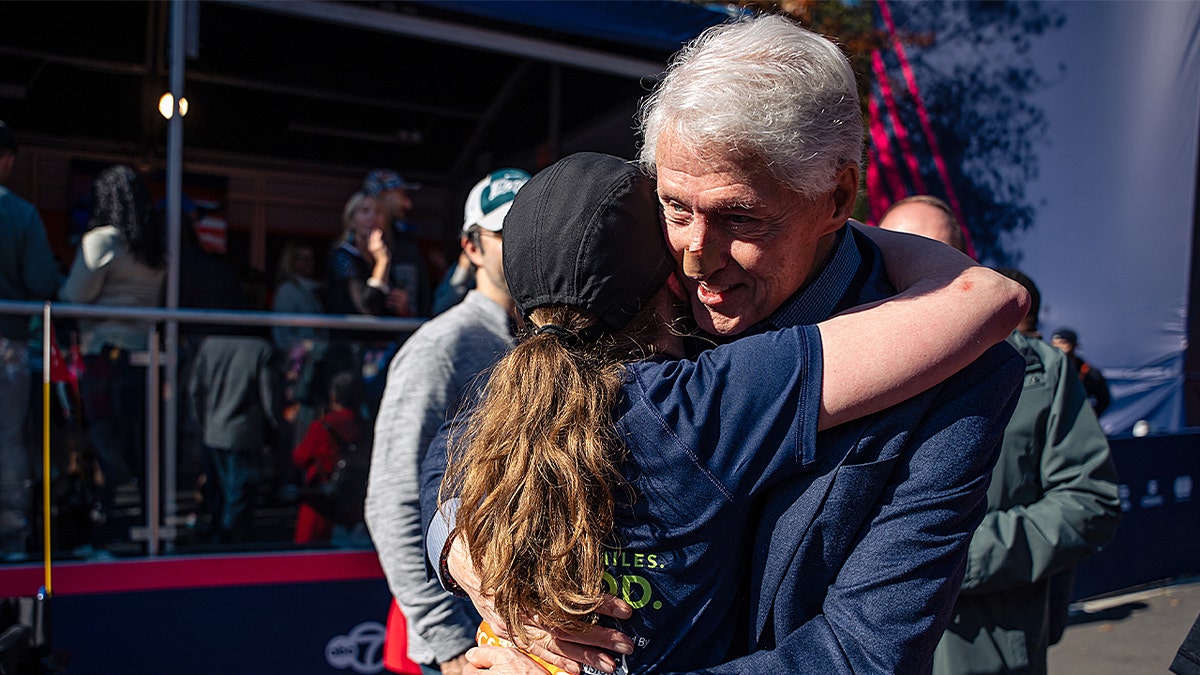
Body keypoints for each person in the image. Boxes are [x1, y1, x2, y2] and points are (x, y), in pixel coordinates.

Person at [441, 16, 1031, 675]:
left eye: (739, 217)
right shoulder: (643, 301)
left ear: (836, 195)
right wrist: (462, 548)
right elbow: (496, 427)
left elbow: (860, 656)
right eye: (675, 206)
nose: (696, 256)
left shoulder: (955, 368)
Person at [881, 203, 1122, 674]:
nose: (909, 280)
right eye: (891, 258)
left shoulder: (1037, 372)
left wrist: (956, 557)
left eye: (930, 256)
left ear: (965, 263)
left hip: (987, 651)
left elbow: (1089, 499)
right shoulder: (831, 373)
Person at [366, 167, 530, 675]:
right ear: (472, 247)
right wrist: (450, 641)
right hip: (461, 644)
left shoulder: (544, 342)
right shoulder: (440, 348)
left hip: (515, 630)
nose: (522, 244)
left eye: (531, 228)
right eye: (506, 232)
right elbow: (391, 501)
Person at [60, 164, 165, 544]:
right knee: (138, 447)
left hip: (103, 355)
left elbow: (74, 297)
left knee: (104, 444)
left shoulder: (102, 240)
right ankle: (145, 528)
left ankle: (108, 530)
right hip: (144, 358)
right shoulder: (154, 244)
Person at [0, 120, 60, 560]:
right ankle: (11, 539)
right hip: (7, 344)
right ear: (8, 160)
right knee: (7, 443)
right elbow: (42, 281)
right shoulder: (20, 214)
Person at [186, 326, 281, 544]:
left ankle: (220, 539)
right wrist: (277, 430)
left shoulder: (210, 344)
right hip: (242, 433)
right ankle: (227, 544)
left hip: (213, 430)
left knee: (220, 492)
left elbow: (195, 390)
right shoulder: (261, 349)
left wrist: (202, 422)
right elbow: (269, 400)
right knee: (237, 495)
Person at [293, 370, 365, 545]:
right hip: (355, 505)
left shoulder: (323, 425)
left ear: (334, 396)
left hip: (323, 504)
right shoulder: (365, 425)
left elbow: (299, 458)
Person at [364, 169, 431, 318]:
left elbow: (422, 298)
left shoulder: (406, 242)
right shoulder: (354, 248)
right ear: (383, 195)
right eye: (402, 195)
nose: (408, 204)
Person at [1051, 328, 1112, 416]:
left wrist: (1089, 416)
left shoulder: (1089, 373)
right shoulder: (1047, 370)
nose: (1057, 347)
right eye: (1054, 343)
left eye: (1063, 343)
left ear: (1074, 345)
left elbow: (1104, 400)